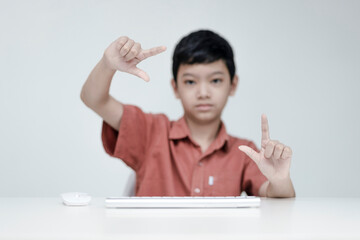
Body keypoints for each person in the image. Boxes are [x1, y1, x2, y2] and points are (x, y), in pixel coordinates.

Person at [81, 30, 295, 198]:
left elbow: (274, 197)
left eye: (216, 80)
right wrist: (107, 65)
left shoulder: (244, 153)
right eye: (191, 82)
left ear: (233, 85)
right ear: (175, 87)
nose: (203, 93)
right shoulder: (150, 131)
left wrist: (279, 180)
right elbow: (94, 99)